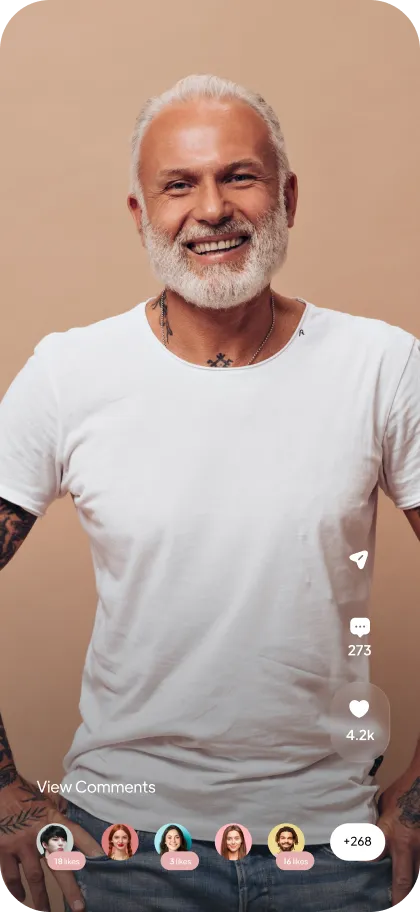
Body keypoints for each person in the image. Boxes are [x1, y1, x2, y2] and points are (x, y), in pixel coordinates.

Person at [0, 71, 420, 912]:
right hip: (120, 849)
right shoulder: (68, 374)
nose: (213, 209)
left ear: (287, 197)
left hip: (333, 849)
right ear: (140, 214)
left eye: (240, 176)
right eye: (179, 185)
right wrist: (7, 791)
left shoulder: (382, 366)